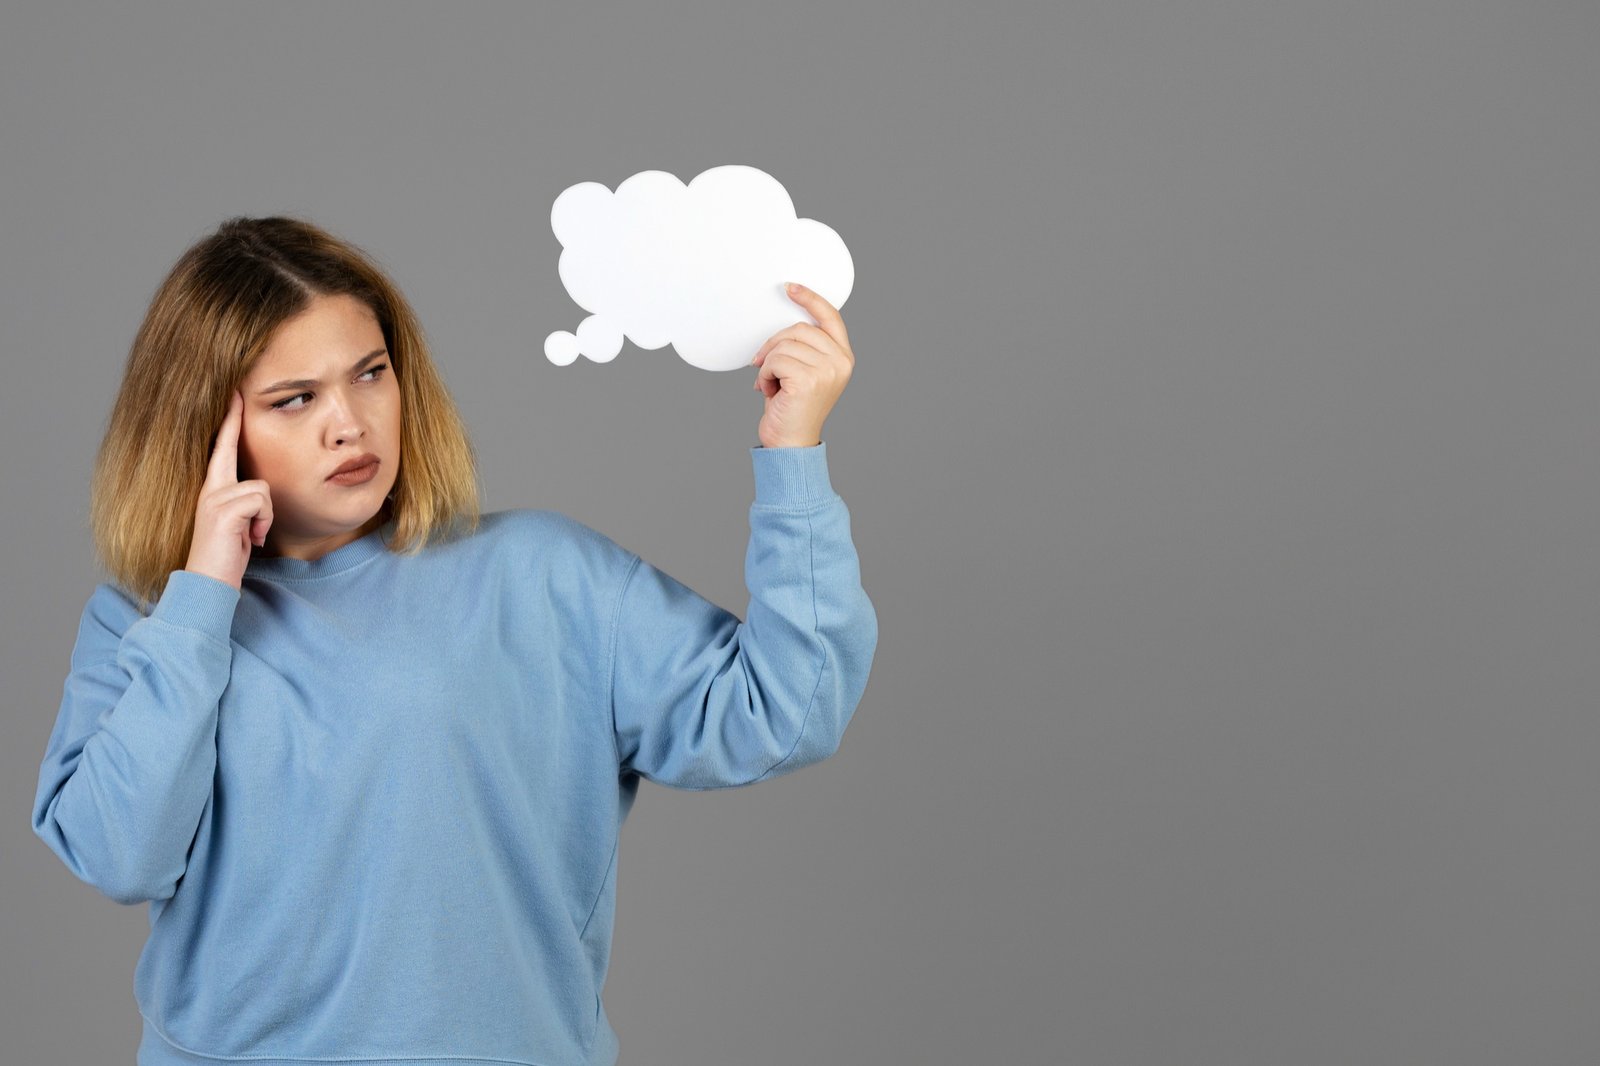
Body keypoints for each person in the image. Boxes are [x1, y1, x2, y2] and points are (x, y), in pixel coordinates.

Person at [30, 215, 878, 1066]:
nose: (350, 424)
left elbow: (787, 711)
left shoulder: (541, 574)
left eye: (370, 375)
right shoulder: (147, 620)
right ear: (207, 428)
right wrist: (202, 598)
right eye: (296, 399)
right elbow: (117, 857)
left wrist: (791, 455)